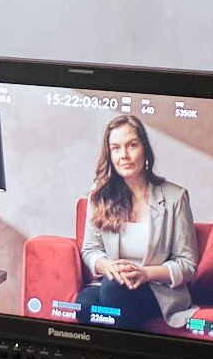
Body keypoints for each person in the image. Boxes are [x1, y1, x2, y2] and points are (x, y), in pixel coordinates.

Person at [76, 114, 198, 331]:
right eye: (116, 148)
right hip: (111, 285)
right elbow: (90, 250)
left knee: (112, 290)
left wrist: (145, 274)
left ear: (145, 149)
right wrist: (109, 267)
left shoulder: (175, 198)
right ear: (110, 155)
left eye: (132, 145)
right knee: (85, 303)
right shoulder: (99, 197)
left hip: (157, 291)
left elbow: (187, 265)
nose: (124, 155)